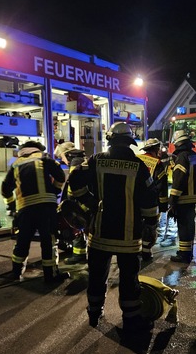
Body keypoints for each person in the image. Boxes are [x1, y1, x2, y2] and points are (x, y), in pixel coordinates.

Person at [68, 122, 159, 332]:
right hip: (129, 236)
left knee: (97, 276)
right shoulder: (138, 166)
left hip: (100, 232)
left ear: (110, 139)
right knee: (129, 279)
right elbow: (149, 199)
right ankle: (131, 319)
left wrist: (89, 202)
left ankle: (94, 313)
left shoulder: (96, 160)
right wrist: (151, 224)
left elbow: (75, 180)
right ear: (129, 142)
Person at [1, 140, 71, 283]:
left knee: (23, 240)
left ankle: (16, 272)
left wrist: (11, 206)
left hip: (26, 208)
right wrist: (55, 191)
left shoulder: (16, 164)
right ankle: (50, 275)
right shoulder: (43, 158)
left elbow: (5, 188)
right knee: (48, 241)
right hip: (46, 207)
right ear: (36, 149)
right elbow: (60, 176)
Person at [167, 129, 196, 263]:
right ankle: (188, 251)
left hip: (183, 198)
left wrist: (172, 200)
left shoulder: (181, 157)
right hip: (194, 198)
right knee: (190, 225)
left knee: (183, 226)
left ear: (177, 143)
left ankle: (184, 255)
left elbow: (178, 181)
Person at [136, 138, 169, 262]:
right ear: (156, 149)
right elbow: (161, 186)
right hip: (150, 201)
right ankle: (146, 252)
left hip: (134, 199)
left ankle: (135, 249)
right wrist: (163, 204)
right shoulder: (157, 163)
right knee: (150, 226)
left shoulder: (137, 159)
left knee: (136, 224)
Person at [56, 141, 88, 264]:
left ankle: (79, 255)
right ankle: (80, 253)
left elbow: (73, 184)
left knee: (77, 226)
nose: (62, 160)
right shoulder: (82, 159)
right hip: (84, 198)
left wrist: (69, 202)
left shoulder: (75, 162)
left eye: (61, 157)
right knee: (81, 227)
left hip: (78, 200)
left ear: (66, 154)